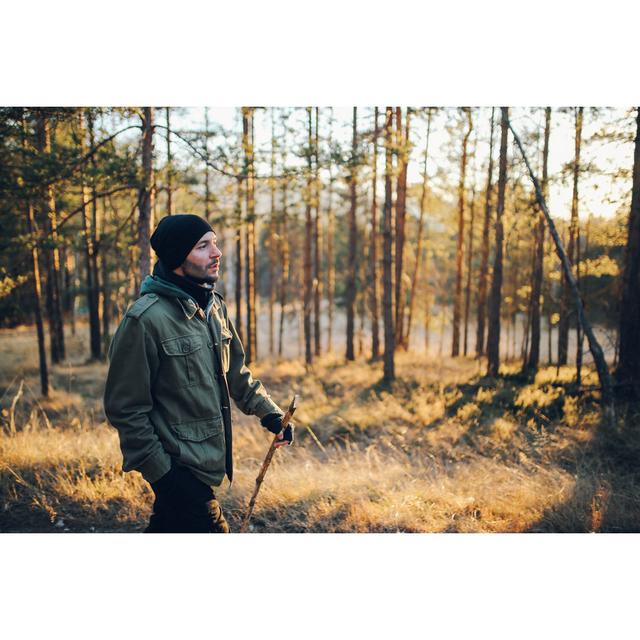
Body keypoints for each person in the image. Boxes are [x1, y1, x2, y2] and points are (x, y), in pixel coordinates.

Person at [103, 213, 294, 533]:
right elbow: (125, 409)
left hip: (206, 461)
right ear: (179, 258)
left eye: (215, 243)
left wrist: (272, 415)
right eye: (203, 246)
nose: (216, 253)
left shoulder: (214, 307)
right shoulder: (145, 320)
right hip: (178, 466)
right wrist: (163, 474)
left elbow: (235, 372)